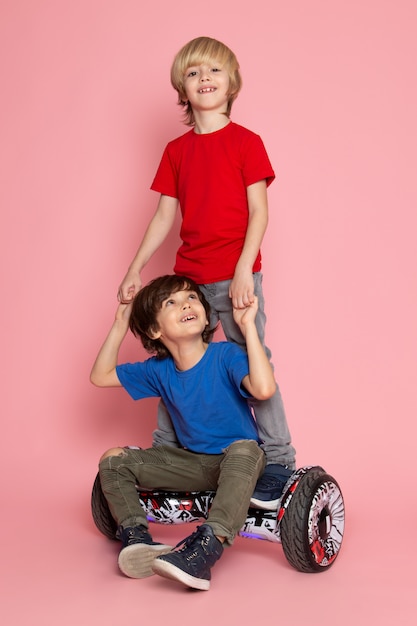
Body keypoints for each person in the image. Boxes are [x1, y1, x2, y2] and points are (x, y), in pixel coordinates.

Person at [117, 36, 296, 509]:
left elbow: (259, 213)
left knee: (255, 363)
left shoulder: (246, 143)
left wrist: (242, 272)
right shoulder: (177, 151)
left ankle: (277, 458)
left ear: (231, 83)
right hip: (189, 281)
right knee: (179, 365)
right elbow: (162, 218)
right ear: (182, 87)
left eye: (214, 72)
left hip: (236, 277)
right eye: (194, 73)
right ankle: (168, 450)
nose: (205, 80)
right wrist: (134, 269)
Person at [91, 274, 275, 590]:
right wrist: (121, 322)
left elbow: (263, 388)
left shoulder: (225, 355)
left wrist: (248, 328)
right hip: (193, 464)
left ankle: (205, 549)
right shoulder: (159, 369)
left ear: (204, 312)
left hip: (239, 463)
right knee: (112, 460)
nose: (186, 304)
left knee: (245, 448)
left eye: (191, 297)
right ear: (155, 330)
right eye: (171, 303)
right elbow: (101, 375)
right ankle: (137, 538)